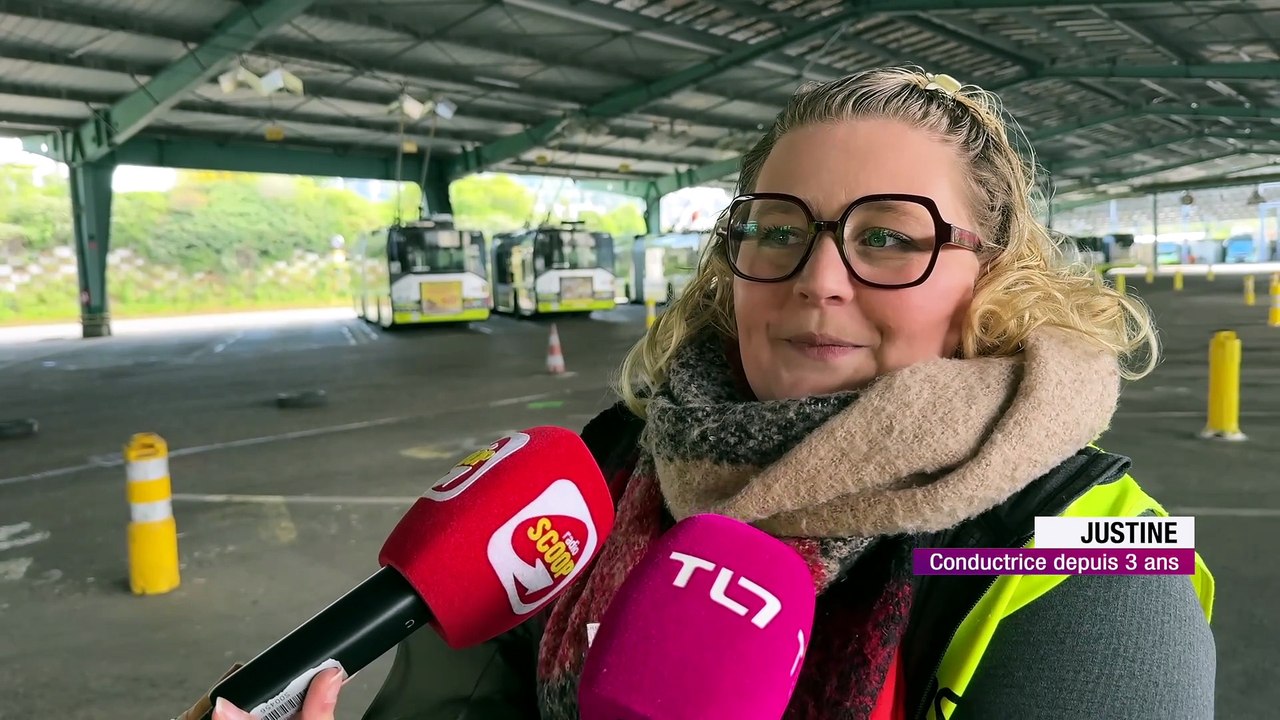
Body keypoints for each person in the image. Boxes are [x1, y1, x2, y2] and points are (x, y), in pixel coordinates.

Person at [203, 65, 1216, 720]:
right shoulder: (602, 472)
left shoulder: (1093, 556)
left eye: (888, 237)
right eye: (778, 228)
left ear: (987, 277)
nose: (819, 278)